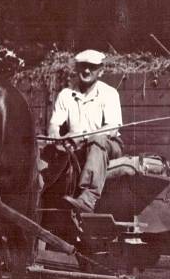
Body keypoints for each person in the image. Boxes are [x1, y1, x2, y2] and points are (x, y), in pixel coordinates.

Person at [47, 49, 123, 213]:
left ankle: (88, 198)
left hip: (107, 146)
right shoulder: (66, 95)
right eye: (83, 66)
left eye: (92, 67)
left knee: (97, 140)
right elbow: (54, 124)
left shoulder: (109, 94)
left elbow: (111, 128)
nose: (86, 71)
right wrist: (55, 137)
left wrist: (82, 137)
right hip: (75, 146)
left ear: (101, 71)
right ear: (76, 68)